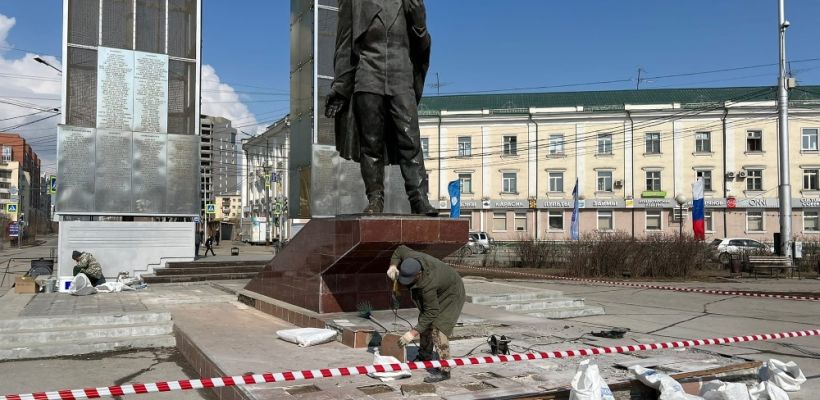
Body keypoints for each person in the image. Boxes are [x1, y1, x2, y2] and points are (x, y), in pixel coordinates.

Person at [325, 0, 437, 216]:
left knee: (410, 140)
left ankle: (419, 199)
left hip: (401, 76)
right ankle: (375, 198)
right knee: (371, 144)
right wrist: (340, 86)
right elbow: (345, 43)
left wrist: (420, 24)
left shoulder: (411, 2)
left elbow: (422, 49)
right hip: (368, 76)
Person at [387, 245, 465, 383]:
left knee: (438, 328)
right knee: (425, 322)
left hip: (452, 293)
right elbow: (399, 250)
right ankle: (424, 356)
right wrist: (393, 266)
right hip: (440, 288)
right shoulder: (410, 256)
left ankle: (444, 370)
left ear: (418, 274)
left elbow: (431, 312)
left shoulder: (429, 283)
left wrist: (412, 333)